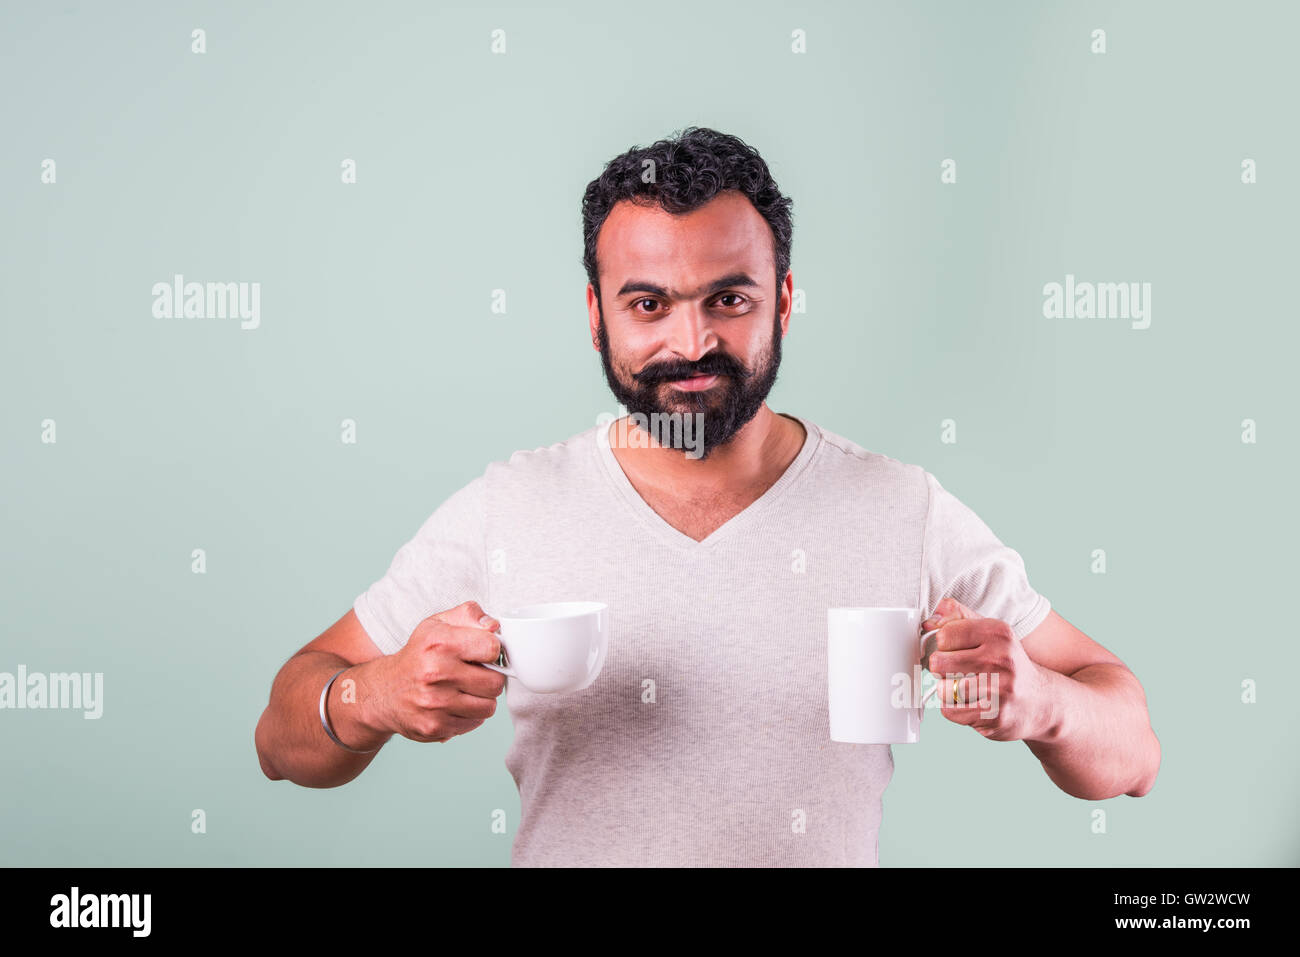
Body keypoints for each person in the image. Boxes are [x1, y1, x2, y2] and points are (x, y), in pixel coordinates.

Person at [254, 127, 1160, 866]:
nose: (691, 343)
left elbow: (1134, 752)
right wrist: (369, 697)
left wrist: (1042, 701)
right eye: (648, 304)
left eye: (728, 298)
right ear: (596, 312)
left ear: (785, 298)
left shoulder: (900, 506)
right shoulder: (510, 506)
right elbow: (280, 737)